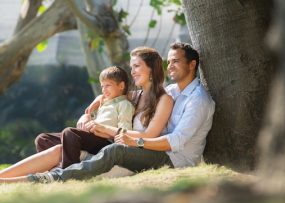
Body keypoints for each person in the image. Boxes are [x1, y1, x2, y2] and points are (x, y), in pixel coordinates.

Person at [0, 47, 173, 182]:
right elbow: (106, 95)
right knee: (44, 140)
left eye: (137, 66)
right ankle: (6, 176)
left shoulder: (163, 99)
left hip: (118, 145)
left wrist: (105, 129)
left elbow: (149, 136)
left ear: (151, 69)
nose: (133, 71)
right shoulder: (136, 94)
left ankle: (65, 172)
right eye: (132, 67)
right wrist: (87, 114)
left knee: (69, 135)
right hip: (100, 136)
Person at [36, 66, 134, 169]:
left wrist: (107, 133)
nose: (104, 90)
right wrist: (91, 111)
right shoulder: (104, 103)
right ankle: (52, 169)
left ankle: (68, 171)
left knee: (70, 133)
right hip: (90, 137)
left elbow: (124, 132)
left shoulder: (124, 104)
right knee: (42, 139)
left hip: (105, 142)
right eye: (102, 86)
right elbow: (89, 114)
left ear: (121, 85)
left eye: (108, 85)